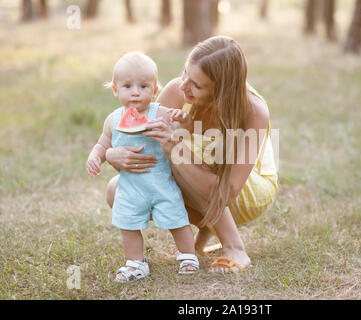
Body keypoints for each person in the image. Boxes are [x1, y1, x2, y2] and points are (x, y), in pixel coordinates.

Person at [105, 36, 279, 273]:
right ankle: (205, 233)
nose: (184, 85)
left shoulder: (254, 111)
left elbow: (227, 193)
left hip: (245, 192)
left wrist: (176, 150)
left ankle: (235, 247)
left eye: (196, 85)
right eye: (185, 72)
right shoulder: (177, 90)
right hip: (203, 182)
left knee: (176, 155)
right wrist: (113, 154)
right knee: (117, 189)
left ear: (221, 91)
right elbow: (147, 152)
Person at [86, 51, 199, 282]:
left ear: (155, 90)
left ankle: (188, 256)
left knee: (178, 219)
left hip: (162, 183)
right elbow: (102, 144)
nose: (136, 92)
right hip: (130, 187)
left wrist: (185, 121)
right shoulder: (113, 120)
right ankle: (136, 263)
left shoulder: (163, 113)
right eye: (128, 86)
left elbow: (185, 134)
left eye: (144, 86)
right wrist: (95, 156)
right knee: (128, 225)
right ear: (116, 90)